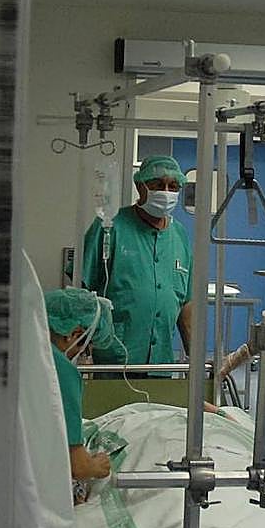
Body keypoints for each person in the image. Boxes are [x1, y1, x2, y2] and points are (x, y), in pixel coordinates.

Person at [80, 155, 194, 372]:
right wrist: (82, 351)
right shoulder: (109, 227)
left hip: (161, 362)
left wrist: (195, 357)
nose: (166, 192)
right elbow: (81, 291)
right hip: (115, 360)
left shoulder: (179, 235)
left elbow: (186, 302)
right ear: (140, 186)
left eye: (173, 186)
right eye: (158, 185)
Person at [45, 288, 115, 488]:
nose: (80, 356)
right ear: (73, 334)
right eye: (83, 349)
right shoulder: (59, 369)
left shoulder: (20, 347)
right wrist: (97, 465)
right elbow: (78, 467)